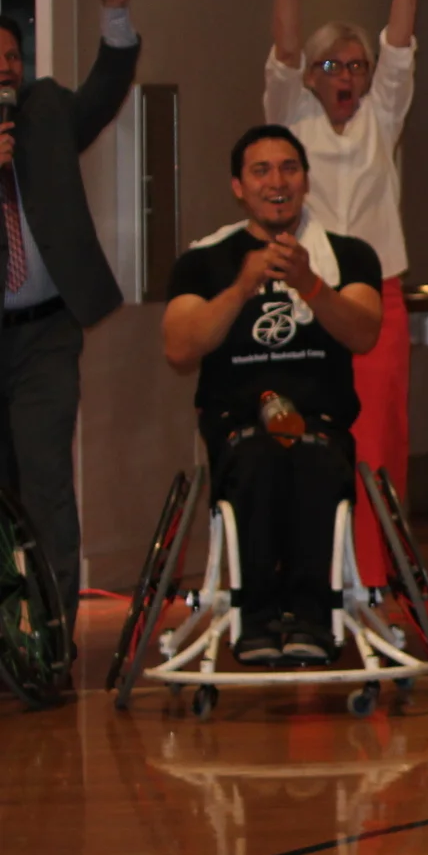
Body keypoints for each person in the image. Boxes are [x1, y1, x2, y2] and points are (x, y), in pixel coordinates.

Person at [163, 127, 384, 666]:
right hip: (239, 426)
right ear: (239, 187)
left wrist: (310, 284)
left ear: (305, 180)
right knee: (260, 456)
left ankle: (312, 618)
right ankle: (256, 619)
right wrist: (241, 288)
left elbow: (364, 332)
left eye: (288, 168)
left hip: (320, 422)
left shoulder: (346, 255)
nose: (276, 182)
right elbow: (179, 346)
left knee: (310, 454)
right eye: (261, 171)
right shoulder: (204, 260)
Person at [264, 0, 428, 596]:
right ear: (314, 76)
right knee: (304, 440)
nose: (349, 76)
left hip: (376, 303)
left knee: (380, 444)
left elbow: (399, 45)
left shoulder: (380, 118)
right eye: (334, 65)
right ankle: (312, 583)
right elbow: (284, 52)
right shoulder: (291, 116)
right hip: (302, 301)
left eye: (356, 67)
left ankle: (376, 582)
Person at [0, 0, 140, 607]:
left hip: (46, 335)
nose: (6, 65)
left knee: (46, 480)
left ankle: (51, 638)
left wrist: (114, 13)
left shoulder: (46, 112)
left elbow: (106, 90)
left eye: (11, 55)